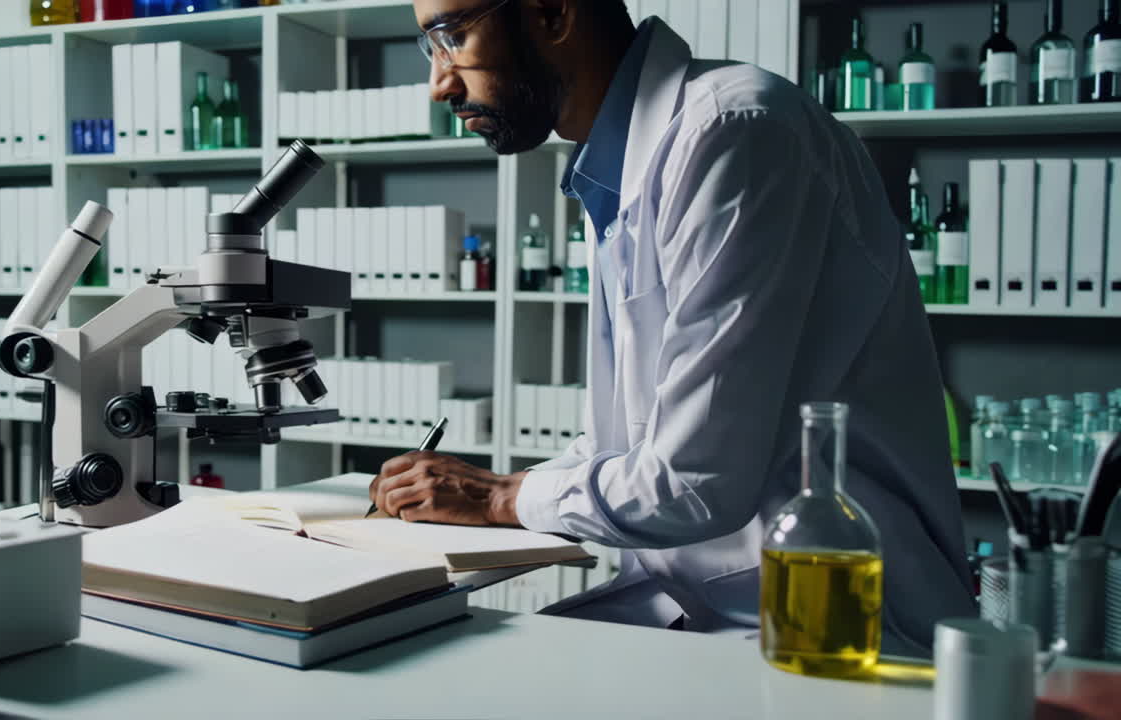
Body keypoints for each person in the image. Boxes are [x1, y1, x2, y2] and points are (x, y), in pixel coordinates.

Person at [369, 0, 976, 655]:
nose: (440, 82)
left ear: (549, 13)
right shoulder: (619, 167)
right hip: (710, 602)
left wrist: (500, 498)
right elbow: (633, 440)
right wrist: (476, 492)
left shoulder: (733, 131)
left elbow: (692, 482)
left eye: (451, 36)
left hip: (839, 628)